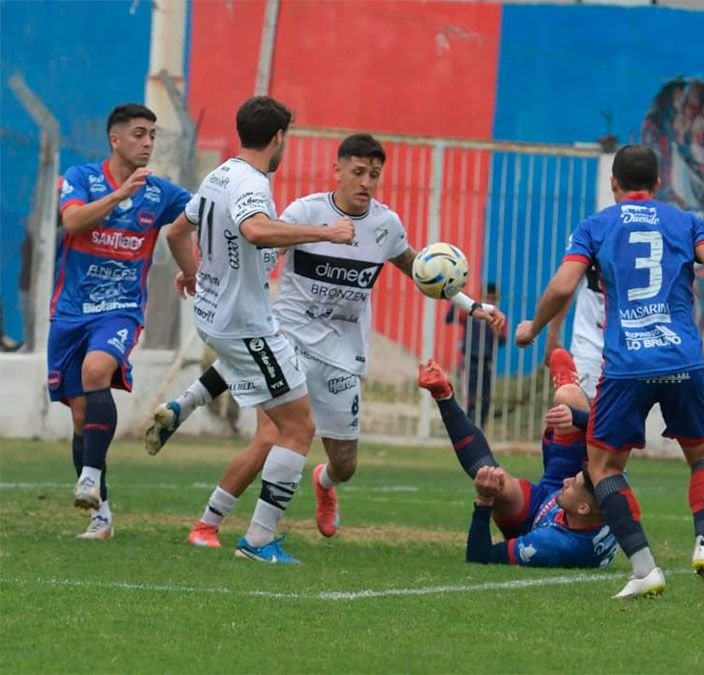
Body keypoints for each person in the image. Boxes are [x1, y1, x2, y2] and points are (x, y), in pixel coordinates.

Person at [147, 133, 505, 548]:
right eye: (358, 172)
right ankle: (210, 525)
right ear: (337, 170)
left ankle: (322, 481)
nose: (366, 182)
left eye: (374, 174)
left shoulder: (385, 226)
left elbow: (418, 267)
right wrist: (205, 273)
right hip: (291, 336)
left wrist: (470, 304)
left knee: (345, 463)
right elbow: (256, 254)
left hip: (341, 355)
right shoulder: (307, 213)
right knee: (271, 435)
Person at [514, 144, 704, 601]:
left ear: (613, 184)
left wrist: (535, 327)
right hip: (683, 359)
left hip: (627, 364)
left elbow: (565, 284)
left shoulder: (596, 225)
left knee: (603, 466)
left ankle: (644, 567)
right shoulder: (686, 221)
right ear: (658, 184)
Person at [164, 95, 356, 564]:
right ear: (277, 138)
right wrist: (327, 233)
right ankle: (258, 540)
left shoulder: (218, 175)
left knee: (276, 428)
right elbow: (254, 230)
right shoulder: (251, 182)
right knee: (298, 428)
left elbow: (174, 232)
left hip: (216, 318)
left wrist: (192, 273)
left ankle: (185, 409)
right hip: (245, 325)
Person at [50, 103, 191, 539]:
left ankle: (89, 477)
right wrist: (118, 196)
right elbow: (71, 221)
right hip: (70, 312)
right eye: (139, 134)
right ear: (115, 139)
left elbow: (190, 221)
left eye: (152, 134)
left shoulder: (162, 193)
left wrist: (192, 270)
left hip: (120, 310)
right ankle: (102, 514)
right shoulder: (81, 178)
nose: (148, 142)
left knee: (97, 370)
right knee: (79, 417)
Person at [419, 349, 618, 568]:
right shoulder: (610, 486)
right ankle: (569, 386)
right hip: (555, 499)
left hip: (532, 521)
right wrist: (577, 417)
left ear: (583, 508)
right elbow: (611, 434)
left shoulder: (551, 545)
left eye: (573, 483)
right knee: (567, 399)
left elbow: (479, 557)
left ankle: (444, 395)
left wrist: (484, 502)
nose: (567, 480)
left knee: (493, 480)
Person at [446, 282, 506, 426]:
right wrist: (458, 298)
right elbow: (449, 319)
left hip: (487, 361)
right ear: (482, 297)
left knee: (485, 399)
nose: (490, 301)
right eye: (488, 298)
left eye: (493, 299)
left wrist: (495, 330)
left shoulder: (499, 317)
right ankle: (466, 427)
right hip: (470, 360)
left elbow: (502, 341)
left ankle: (481, 428)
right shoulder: (471, 313)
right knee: (469, 398)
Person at [545, 264, 604, 399]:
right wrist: (552, 336)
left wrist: (546, 333)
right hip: (639, 350)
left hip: (591, 352)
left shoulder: (592, 242)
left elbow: (564, 287)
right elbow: (566, 286)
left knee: (584, 415)